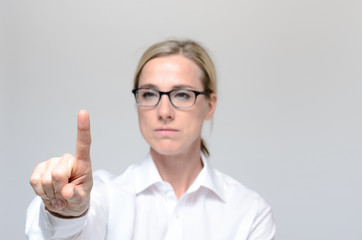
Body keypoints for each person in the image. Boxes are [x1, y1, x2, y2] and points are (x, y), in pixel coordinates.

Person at [26, 39, 276, 239]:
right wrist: (65, 214)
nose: (164, 112)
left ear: (210, 106)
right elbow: (53, 233)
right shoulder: (104, 198)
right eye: (149, 94)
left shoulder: (249, 211)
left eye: (182, 95)